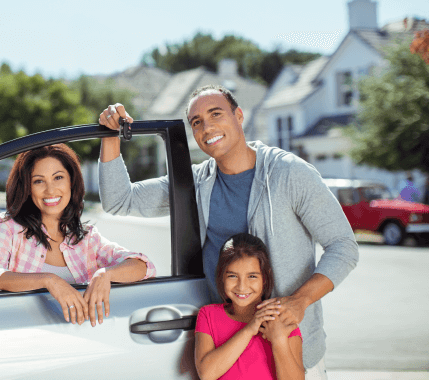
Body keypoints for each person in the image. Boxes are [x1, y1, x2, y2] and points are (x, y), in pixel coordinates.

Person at [97, 84, 358, 378]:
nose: (207, 128)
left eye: (215, 114)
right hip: (229, 355)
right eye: (197, 122)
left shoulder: (289, 173)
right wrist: (111, 135)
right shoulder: (196, 183)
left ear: (239, 116)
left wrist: (300, 301)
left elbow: (343, 246)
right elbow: (120, 200)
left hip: (291, 349)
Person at [0, 143, 156, 327]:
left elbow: (144, 266)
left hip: (79, 340)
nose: (50, 190)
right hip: (22, 336)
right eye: (39, 181)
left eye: (58, 177)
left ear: (71, 181)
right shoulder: (9, 227)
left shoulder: (86, 239)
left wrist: (105, 275)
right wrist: (49, 280)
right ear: (27, 187)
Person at [195, 233, 303, 380]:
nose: (242, 286)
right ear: (221, 276)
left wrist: (279, 341)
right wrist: (250, 329)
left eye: (252, 276)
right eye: (232, 276)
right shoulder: (208, 315)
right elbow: (206, 374)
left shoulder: (281, 318)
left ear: (265, 278)